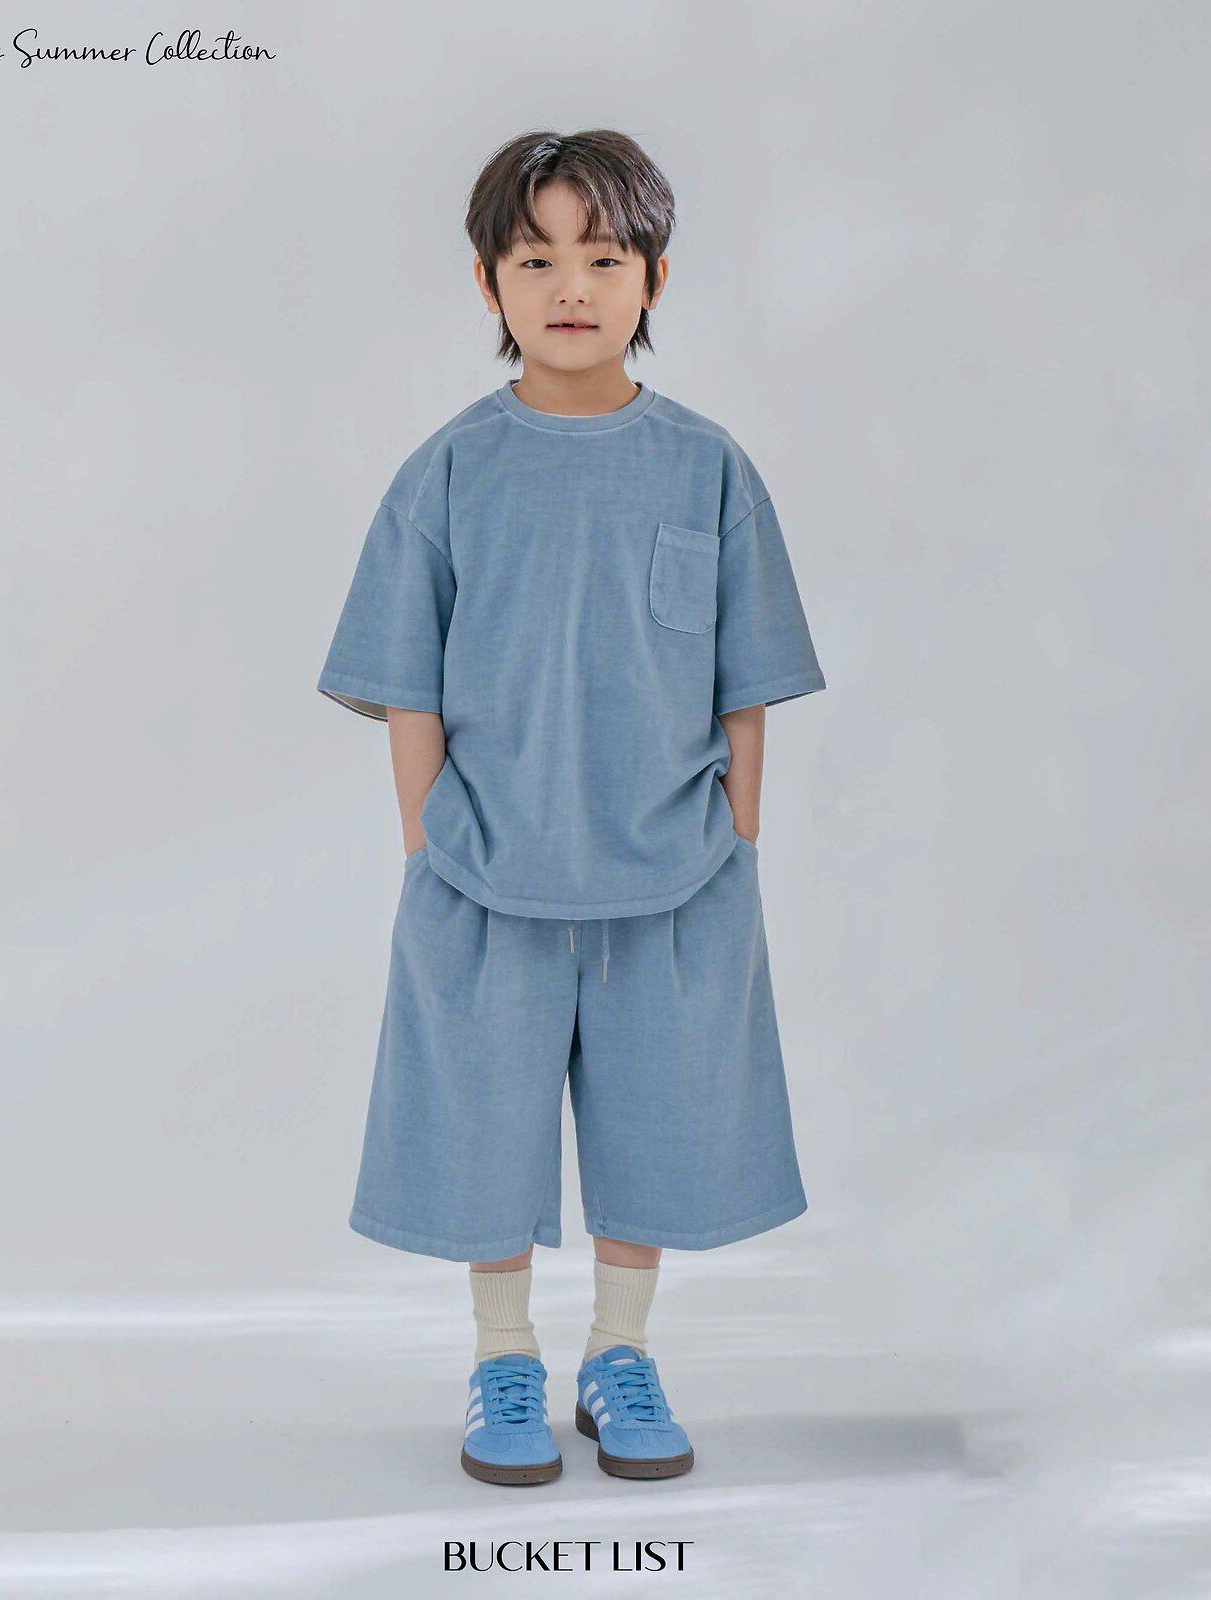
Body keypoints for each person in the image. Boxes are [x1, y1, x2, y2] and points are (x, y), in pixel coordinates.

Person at [316, 128, 825, 1487]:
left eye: (603, 256)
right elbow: (404, 680)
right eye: (535, 259)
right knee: (478, 1121)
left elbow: (748, 677)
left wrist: (739, 834)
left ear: (655, 276)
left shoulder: (708, 467)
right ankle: (501, 1357)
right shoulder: (448, 471)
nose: (572, 287)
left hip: (675, 870)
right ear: (489, 283)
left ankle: (619, 1353)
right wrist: (430, 840)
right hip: (485, 869)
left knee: (658, 1118)